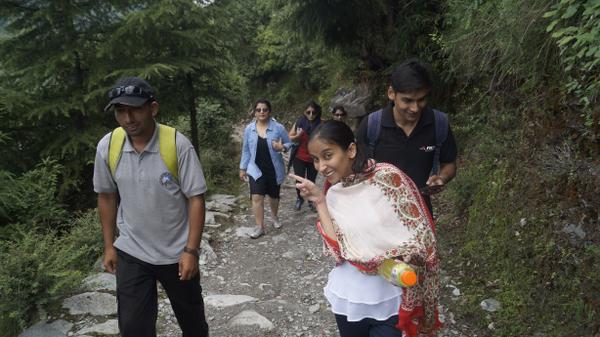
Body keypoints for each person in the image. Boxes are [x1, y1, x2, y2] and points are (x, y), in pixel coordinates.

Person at [290, 120, 440, 337]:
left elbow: (419, 230)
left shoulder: (388, 178)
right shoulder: (333, 193)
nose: (321, 167)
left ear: (350, 150)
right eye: (315, 160)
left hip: (392, 293)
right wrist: (320, 201)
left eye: (328, 155)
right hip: (350, 297)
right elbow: (338, 251)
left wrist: (411, 253)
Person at [93, 77, 209, 337]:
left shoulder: (177, 144)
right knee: (134, 328)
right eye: (120, 111)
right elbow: (107, 196)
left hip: (176, 253)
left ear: (152, 108)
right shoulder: (108, 146)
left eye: (135, 109)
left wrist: (191, 250)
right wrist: (110, 245)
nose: (128, 118)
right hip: (132, 251)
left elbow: (196, 198)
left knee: (192, 324)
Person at [356, 59, 457, 214]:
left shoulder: (439, 124)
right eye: (407, 100)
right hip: (376, 217)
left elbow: (449, 163)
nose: (415, 108)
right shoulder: (371, 126)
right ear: (391, 93)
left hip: (420, 217)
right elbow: (354, 169)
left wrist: (441, 177)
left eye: (421, 99)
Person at [239, 99, 292, 239]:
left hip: (274, 169)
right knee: (256, 197)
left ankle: (274, 216)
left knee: (274, 197)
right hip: (255, 169)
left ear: (269, 112)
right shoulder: (249, 129)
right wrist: (242, 168)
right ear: (255, 112)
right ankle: (259, 227)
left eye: (264, 110)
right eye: (258, 110)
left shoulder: (278, 128)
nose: (261, 112)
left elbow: (289, 142)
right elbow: (245, 150)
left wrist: (283, 147)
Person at [288, 100, 322, 211]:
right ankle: (299, 198)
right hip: (299, 157)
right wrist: (298, 135)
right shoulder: (299, 122)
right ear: (304, 112)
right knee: (299, 180)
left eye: (313, 112)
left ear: (317, 113)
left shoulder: (321, 124)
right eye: (308, 112)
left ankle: (311, 200)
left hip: (314, 158)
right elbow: (290, 136)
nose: (311, 115)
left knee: (311, 180)